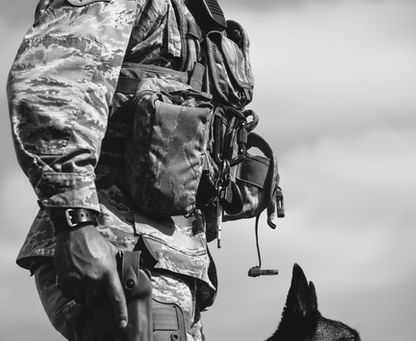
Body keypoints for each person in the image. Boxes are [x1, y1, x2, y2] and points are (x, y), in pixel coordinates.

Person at [6, 0, 241, 340]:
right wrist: (76, 223)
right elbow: (52, 85)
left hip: (172, 258)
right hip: (117, 245)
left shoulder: (197, 12)